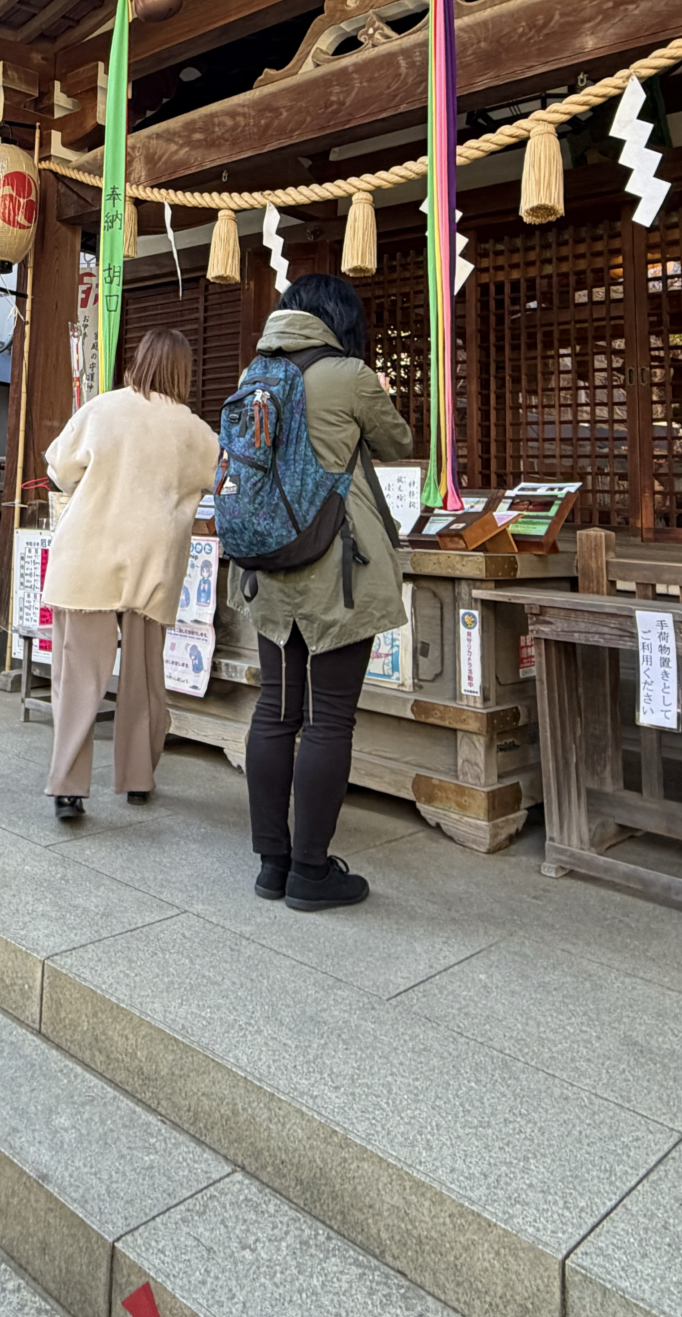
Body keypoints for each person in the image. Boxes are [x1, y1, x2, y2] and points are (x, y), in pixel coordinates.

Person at [235, 274, 411, 912]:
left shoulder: (254, 374)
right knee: (330, 718)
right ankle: (312, 871)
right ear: (338, 318)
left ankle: (271, 865)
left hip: (269, 567)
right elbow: (400, 443)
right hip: (336, 567)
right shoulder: (350, 375)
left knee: (275, 711)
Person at [39, 328, 220, 820]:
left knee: (77, 679)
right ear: (184, 371)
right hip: (153, 562)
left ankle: (68, 788)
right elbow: (221, 482)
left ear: (138, 361)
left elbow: (59, 470)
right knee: (144, 677)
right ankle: (138, 778)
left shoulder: (103, 408)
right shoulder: (196, 432)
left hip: (86, 557)